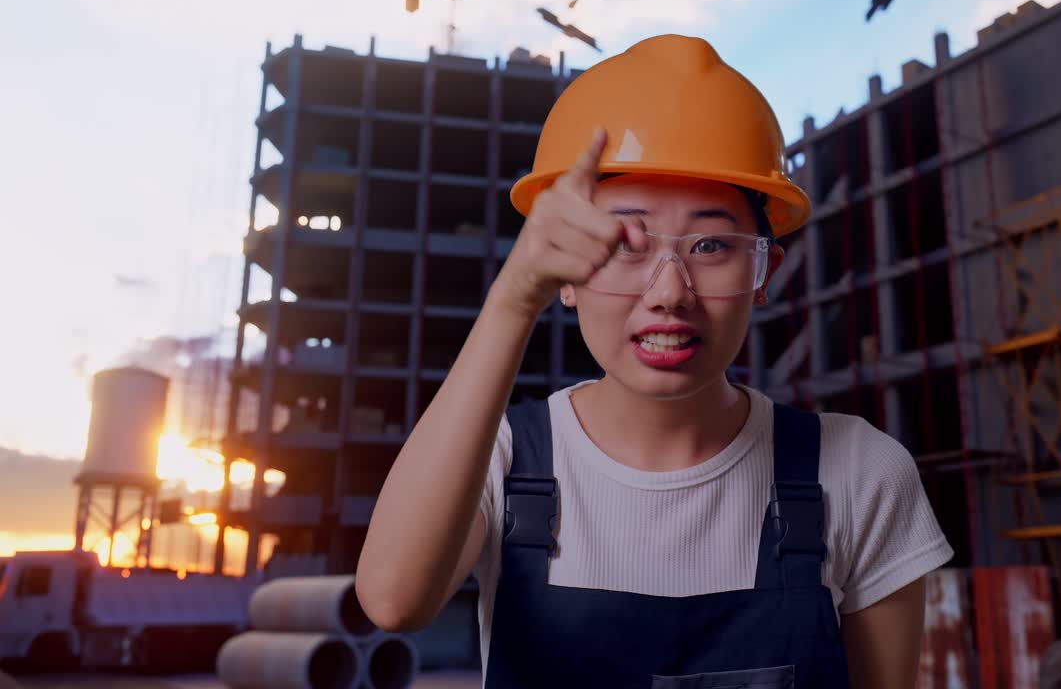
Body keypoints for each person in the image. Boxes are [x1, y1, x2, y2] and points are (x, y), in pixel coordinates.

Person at [356, 34, 953, 688]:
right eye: (624, 243)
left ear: (762, 272)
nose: (669, 293)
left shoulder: (860, 473)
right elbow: (394, 600)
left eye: (710, 245)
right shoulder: (497, 464)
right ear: (563, 268)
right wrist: (510, 300)